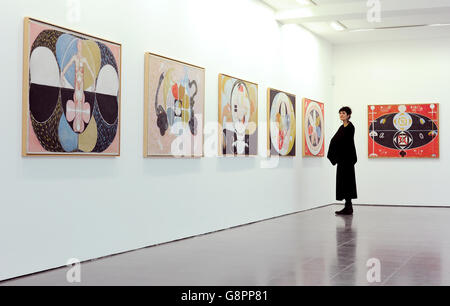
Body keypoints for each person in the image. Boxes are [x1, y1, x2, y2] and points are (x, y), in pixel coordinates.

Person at [327, 106, 357, 215]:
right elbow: (334, 140)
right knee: (343, 183)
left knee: (347, 182)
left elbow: (346, 143)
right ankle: (347, 206)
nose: (341, 115)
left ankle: (348, 207)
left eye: (343, 113)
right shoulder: (341, 127)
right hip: (342, 160)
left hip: (347, 159)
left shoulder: (350, 127)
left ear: (348, 115)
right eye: (340, 113)